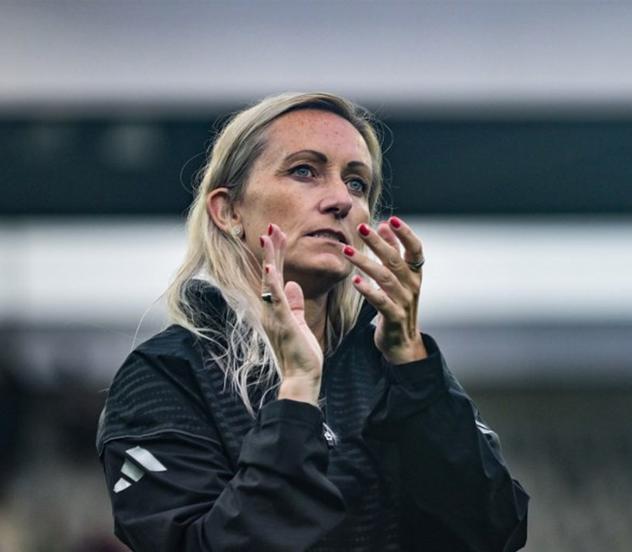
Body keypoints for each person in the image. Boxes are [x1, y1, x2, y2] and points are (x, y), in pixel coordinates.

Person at [96, 92, 529, 551]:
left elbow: (491, 533)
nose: (341, 199)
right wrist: (298, 394)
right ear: (228, 211)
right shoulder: (167, 374)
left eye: (358, 183)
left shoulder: (391, 363)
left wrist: (415, 370)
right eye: (304, 170)